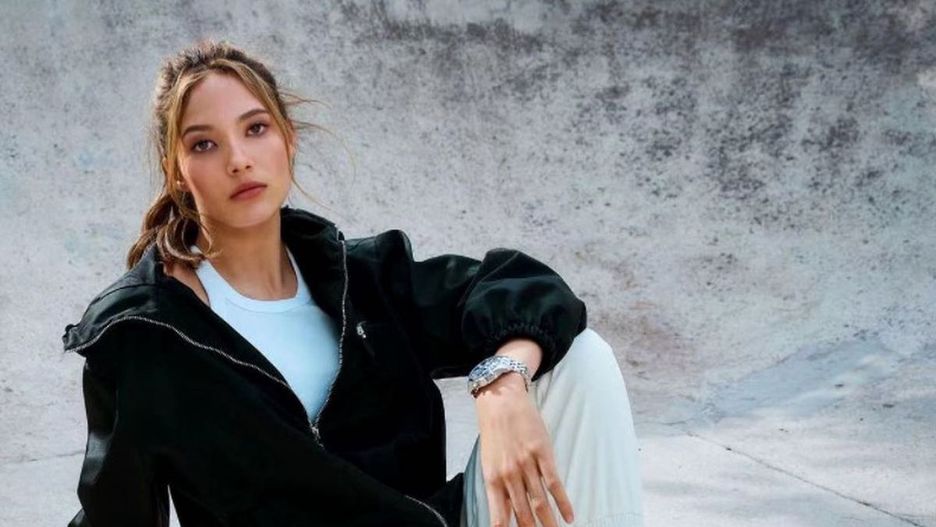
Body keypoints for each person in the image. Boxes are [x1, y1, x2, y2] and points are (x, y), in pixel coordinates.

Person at [63, 39, 643, 527]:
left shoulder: (363, 280)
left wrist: (502, 385)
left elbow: (525, 288)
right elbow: (117, 512)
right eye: (204, 144)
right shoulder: (150, 334)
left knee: (580, 360)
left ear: (288, 139)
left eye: (256, 128)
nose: (238, 159)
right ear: (177, 173)